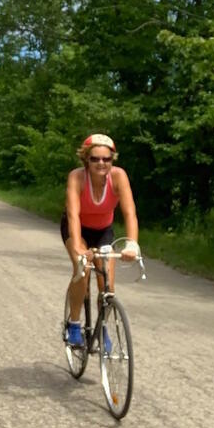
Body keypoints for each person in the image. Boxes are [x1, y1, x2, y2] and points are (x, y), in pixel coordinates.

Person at [62, 133, 139, 347]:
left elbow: (130, 212)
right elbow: (73, 215)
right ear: (86, 159)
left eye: (106, 159)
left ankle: (101, 327)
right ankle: (75, 324)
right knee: (83, 269)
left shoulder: (119, 176)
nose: (101, 163)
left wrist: (132, 243)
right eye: (95, 159)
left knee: (107, 284)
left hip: (103, 230)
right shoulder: (77, 177)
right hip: (76, 228)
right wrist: (78, 246)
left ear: (112, 159)